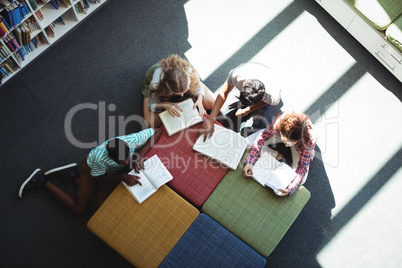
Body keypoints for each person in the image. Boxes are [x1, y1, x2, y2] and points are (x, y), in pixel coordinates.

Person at [18, 128, 162, 214]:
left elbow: (157, 131)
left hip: (113, 172)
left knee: (96, 207)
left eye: (128, 157)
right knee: (80, 209)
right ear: (109, 157)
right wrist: (122, 177)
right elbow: (100, 177)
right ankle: (41, 180)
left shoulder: (132, 139)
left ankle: (72, 176)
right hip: (94, 170)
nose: (126, 162)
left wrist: (141, 154)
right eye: (121, 161)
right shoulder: (99, 159)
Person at [197, 62, 281, 141]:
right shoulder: (237, 75)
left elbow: (265, 102)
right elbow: (223, 93)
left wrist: (247, 110)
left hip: (268, 85)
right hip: (251, 74)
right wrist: (211, 118)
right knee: (223, 112)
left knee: (251, 129)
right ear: (245, 84)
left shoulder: (272, 96)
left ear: (262, 97)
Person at [242, 111, 317, 197]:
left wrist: (290, 189)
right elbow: (261, 139)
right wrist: (249, 161)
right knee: (248, 143)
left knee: (302, 179)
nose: (285, 145)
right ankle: (276, 152)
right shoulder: (279, 121)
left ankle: (298, 149)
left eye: (289, 143)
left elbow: (302, 168)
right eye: (284, 141)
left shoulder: (310, 140)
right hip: (278, 133)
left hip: (300, 147)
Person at [142, 54, 215, 128]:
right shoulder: (155, 84)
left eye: (184, 91)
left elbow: (199, 89)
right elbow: (151, 104)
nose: (182, 95)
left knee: (210, 102)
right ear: (167, 87)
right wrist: (165, 104)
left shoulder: (189, 71)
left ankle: (191, 85)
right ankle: (186, 94)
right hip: (156, 86)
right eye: (177, 93)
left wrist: (199, 100)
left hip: (187, 78)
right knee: (150, 124)